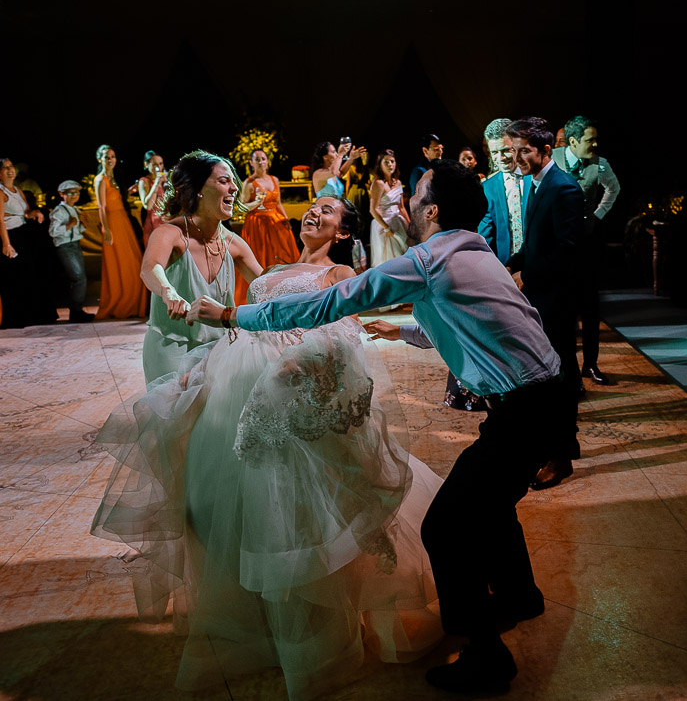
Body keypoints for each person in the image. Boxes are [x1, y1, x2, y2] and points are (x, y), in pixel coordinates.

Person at [188, 161, 578, 694]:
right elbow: (474, 315)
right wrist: (405, 330)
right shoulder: (471, 250)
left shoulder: (427, 258)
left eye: (416, 195)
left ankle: (487, 657)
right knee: (490, 501)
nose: (406, 203)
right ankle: (518, 596)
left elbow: (328, 303)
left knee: (447, 525)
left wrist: (234, 317)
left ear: (432, 210)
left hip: (525, 406)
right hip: (544, 397)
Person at [93, 194, 443, 700]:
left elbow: (342, 336)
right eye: (314, 206)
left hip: (288, 394)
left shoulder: (339, 272)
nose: (315, 212)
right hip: (233, 389)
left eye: (328, 211)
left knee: (295, 513)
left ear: (344, 231)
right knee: (234, 508)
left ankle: (313, 641)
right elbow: (240, 324)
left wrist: (299, 362)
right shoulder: (272, 265)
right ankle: (253, 624)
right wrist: (203, 365)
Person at [503, 116, 584, 489]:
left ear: (546, 151)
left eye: (524, 150)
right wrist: (512, 263)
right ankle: (562, 443)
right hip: (541, 295)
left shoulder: (564, 188)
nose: (516, 157)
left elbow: (569, 252)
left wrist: (528, 276)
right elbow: (537, 243)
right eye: (513, 150)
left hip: (557, 298)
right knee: (550, 373)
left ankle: (561, 456)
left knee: (560, 375)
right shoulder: (536, 182)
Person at [140, 150, 263, 385]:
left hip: (220, 350)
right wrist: (168, 291)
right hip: (171, 347)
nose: (234, 188)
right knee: (175, 417)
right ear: (198, 190)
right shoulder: (169, 233)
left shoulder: (234, 244)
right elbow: (150, 268)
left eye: (233, 182)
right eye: (223, 181)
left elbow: (264, 284)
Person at [552, 115, 621, 386]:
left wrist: (597, 215)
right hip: (557, 246)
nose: (595, 144)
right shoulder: (552, 159)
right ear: (572, 141)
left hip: (586, 246)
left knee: (591, 308)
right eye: (590, 139)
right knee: (562, 309)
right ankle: (562, 366)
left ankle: (590, 364)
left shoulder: (600, 164)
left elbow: (613, 190)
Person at [233, 148, 299, 305]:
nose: (261, 161)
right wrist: (256, 202)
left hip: (275, 223)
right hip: (258, 224)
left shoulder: (274, 179)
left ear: (268, 161)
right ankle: (261, 295)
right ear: (251, 163)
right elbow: (241, 207)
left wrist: (286, 219)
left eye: (263, 158)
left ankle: (285, 294)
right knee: (261, 257)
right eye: (257, 159)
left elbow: (279, 203)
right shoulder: (249, 183)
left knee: (282, 257)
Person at [1, 157, 58, 328]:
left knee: (30, 275)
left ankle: (36, 314)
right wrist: (6, 243)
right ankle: (17, 318)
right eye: (5, 168)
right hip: (10, 236)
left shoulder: (17, 189)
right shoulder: (1, 192)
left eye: (11, 167)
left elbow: (26, 212)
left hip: (23, 234)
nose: (10, 170)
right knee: (15, 278)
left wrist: (35, 213)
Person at [94, 144, 148, 320]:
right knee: (121, 265)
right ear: (99, 159)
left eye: (113, 156)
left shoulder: (115, 179)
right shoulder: (101, 179)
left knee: (135, 262)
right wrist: (106, 229)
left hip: (123, 222)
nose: (110, 160)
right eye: (107, 157)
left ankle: (132, 304)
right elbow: (101, 206)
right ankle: (122, 304)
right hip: (113, 224)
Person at [477, 118, 526, 266]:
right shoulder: (488, 187)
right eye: (494, 152)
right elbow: (485, 237)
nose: (501, 158)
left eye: (505, 150)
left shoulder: (535, 178)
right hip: (505, 269)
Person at [48, 179, 94, 322]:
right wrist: (69, 225)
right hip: (66, 246)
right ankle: (75, 311)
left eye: (77, 193)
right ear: (62, 194)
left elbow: (78, 230)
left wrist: (82, 224)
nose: (74, 195)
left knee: (80, 278)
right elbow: (53, 231)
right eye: (71, 193)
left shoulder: (75, 209)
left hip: (75, 244)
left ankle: (77, 310)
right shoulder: (59, 211)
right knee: (79, 278)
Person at [367, 149, 410, 272]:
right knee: (387, 259)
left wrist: (410, 224)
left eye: (392, 161)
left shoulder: (398, 183)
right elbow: (373, 209)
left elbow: (401, 207)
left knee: (403, 254)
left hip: (398, 221)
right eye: (386, 162)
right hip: (383, 224)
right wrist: (386, 228)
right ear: (380, 164)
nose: (390, 165)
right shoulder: (378, 183)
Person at [138, 150, 169, 246]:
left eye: (160, 163)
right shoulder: (144, 181)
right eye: (155, 164)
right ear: (146, 164)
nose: (159, 167)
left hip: (166, 219)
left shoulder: (165, 180)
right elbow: (148, 206)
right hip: (153, 221)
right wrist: (156, 183)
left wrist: (168, 184)